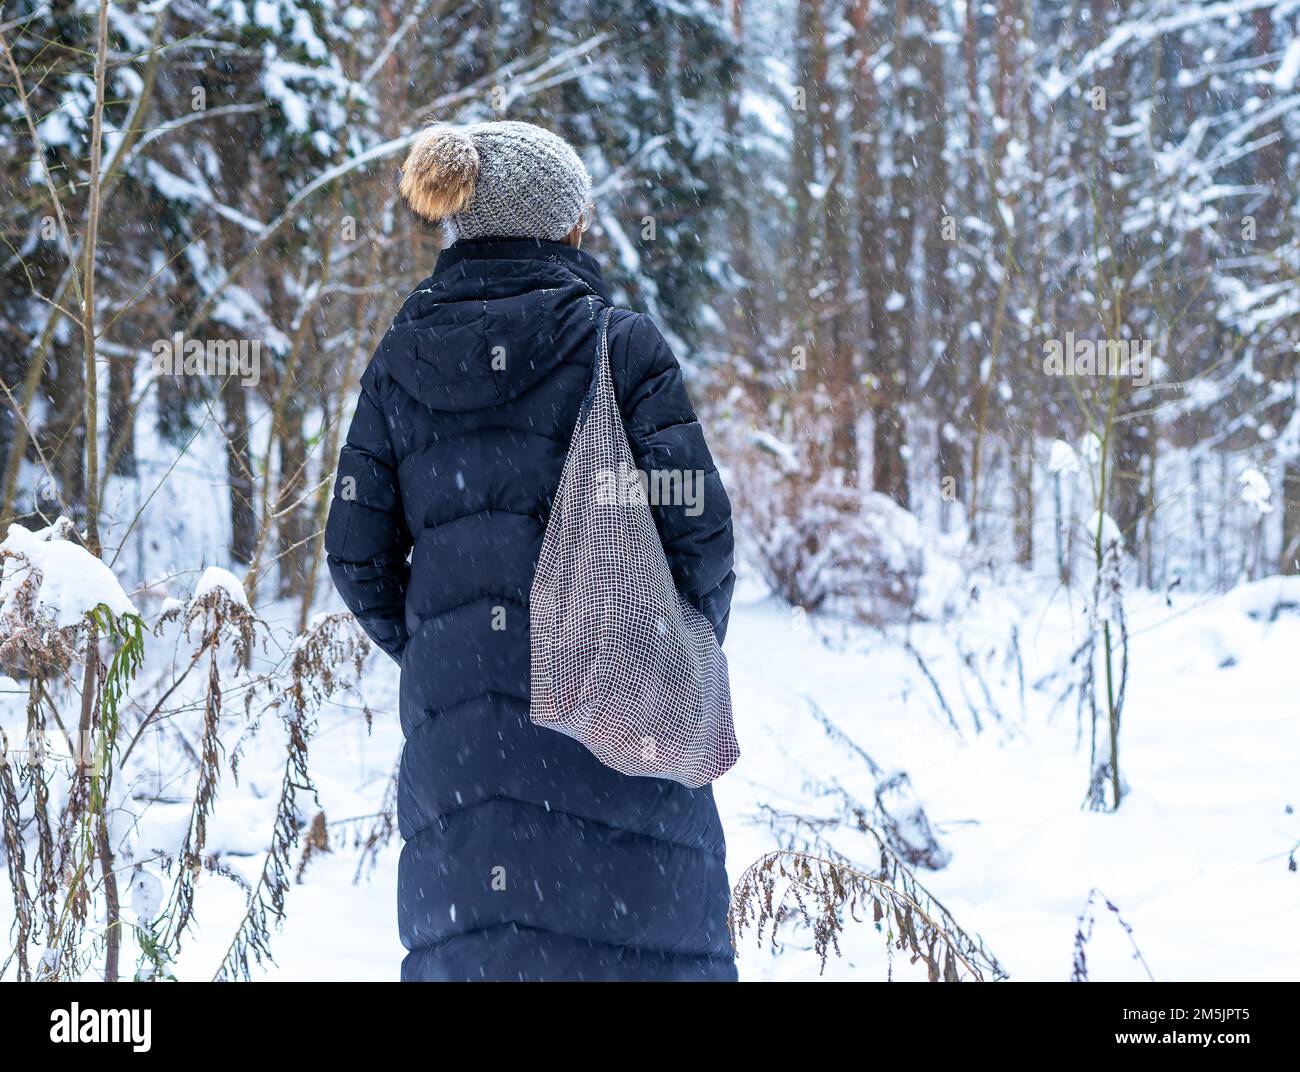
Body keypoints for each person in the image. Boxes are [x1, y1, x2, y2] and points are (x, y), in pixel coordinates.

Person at [325, 120, 738, 981]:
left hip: (464, 753)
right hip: (620, 724)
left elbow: (354, 548)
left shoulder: (398, 359)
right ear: (568, 227)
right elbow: (697, 525)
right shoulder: (621, 348)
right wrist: (663, 640)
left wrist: (453, 649)